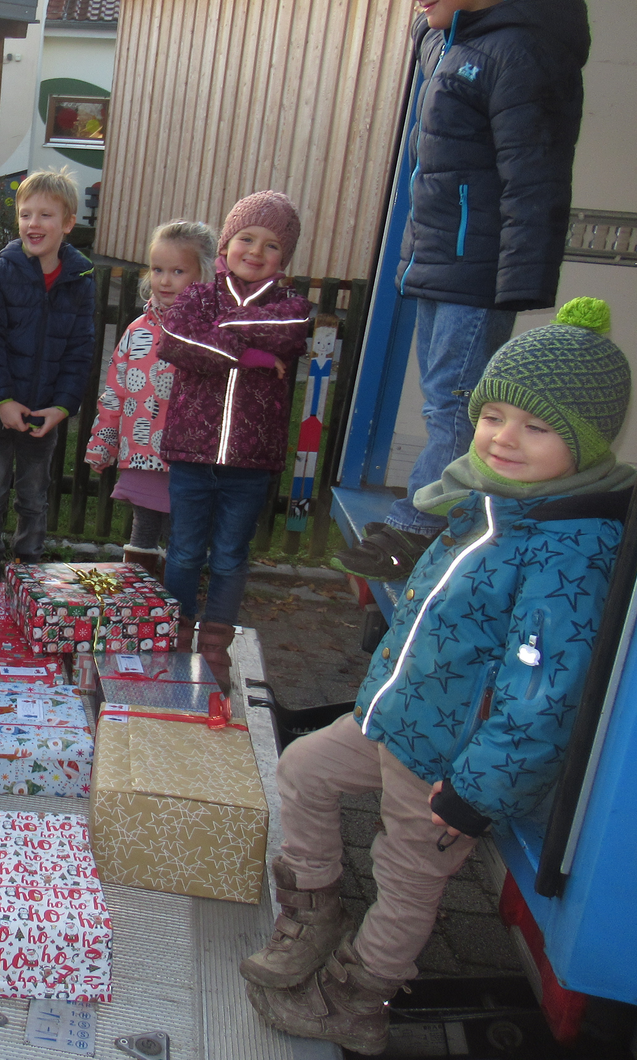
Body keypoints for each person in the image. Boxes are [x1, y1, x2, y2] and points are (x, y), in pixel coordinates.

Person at [245, 299, 632, 1055]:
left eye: (536, 427)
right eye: (493, 416)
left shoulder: (568, 550)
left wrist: (475, 791)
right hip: (399, 720)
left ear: (587, 444)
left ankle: (359, 1000)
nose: (503, 438)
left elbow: (543, 695)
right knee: (303, 768)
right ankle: (314, 915)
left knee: (406, 876)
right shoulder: (498, 505)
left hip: (448, 761)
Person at [335, 0, 590, 581]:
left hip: (476, 272)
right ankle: (434, 513)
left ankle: (422, 527)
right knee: (443, 399)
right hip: (441, 261)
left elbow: (533, 174)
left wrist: (519, 280)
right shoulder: (454, 44)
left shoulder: (516, 52)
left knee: (457, 402)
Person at [157, 191, 311, 681]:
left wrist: (219, 332)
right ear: (226, 243)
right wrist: (251, 355)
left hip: (250, 463)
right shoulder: (198, 296)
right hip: (192, 454)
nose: (256, 251)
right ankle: (176, 634)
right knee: (184, 551)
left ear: (284, 258)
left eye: (271, 245)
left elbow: (290, 330)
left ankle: (216, 643)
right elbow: (176, 341)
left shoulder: (290, 307)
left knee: (229, 556)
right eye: (247, 238)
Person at [0, 169, 96, 565]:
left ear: (68, 223)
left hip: (44, 412)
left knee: (33, 497)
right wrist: (1, 400)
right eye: (26, 215)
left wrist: (62, 407)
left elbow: (80, 351)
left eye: (45, 215)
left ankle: (29, 567)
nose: (33, 224)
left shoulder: (80, 280)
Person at [84, 221, 218, 577]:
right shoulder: (137, 330)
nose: (165, 280)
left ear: (203, 273)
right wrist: (102, 443)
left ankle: (176, 596)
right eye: (158, 269)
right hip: (141, 453)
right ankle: (135, 594)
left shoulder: (208, 333)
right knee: (143, 528)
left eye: (178, 271)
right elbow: (115, 390)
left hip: (187, 459)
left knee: (181, 533)